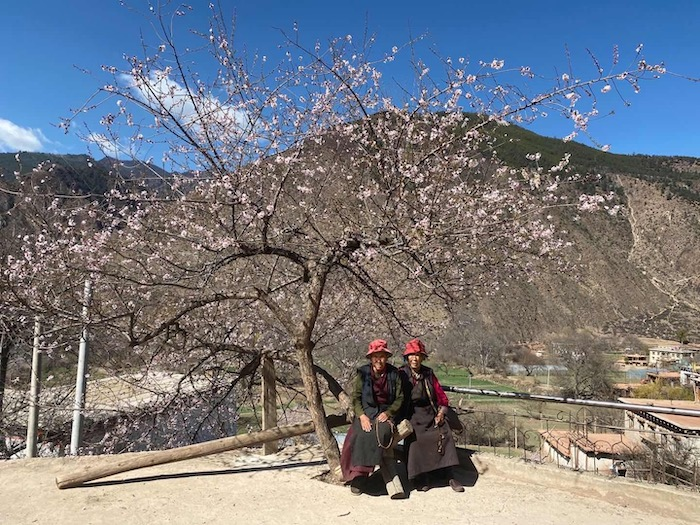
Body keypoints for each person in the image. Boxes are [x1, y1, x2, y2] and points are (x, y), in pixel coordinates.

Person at [340, 339, 406, 497]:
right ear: (371, 358)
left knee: (380, 433)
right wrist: (361, 416)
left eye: (382, 356)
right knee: (356, 435)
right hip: (366, 412)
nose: (379, 360)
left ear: (386, 357)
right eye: (375, 356)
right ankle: (357, 476)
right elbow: (356, 398)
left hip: (384, 413)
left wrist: (389, 413)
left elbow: (399, 398)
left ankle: (365, 474)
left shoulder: (393, 374)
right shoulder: (363, 373)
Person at [399, 338, 464, 492]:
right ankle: (420, 476)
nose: (415, 358)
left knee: (444, 433)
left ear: (422, 357)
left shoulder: (428, 373)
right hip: (411, 414)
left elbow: (442, 397)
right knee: (416, 439)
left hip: (430, 412)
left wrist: (441, 413)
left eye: (418, 355)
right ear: (407, 357)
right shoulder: (401, 373)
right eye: (411, 355)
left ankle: (449, 474)